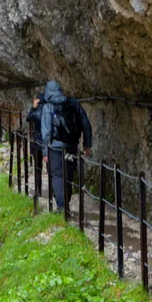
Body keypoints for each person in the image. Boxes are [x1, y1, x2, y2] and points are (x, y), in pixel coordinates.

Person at [41, 81, 92, 211]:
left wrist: (45, 151)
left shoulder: (48, 107)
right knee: (69, 175)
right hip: (72, 146)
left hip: (56, 147)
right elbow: (86, 125)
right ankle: (66, 202)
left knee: (57, 175)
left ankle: (62, 207)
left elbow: (46, 132)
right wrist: (87, 145)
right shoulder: (74, 103)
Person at [26, 93, 45, 196]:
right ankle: (52, 193)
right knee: (50, 169)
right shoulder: (48, 111)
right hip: (46, 143)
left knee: (38, 168)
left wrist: (33, 108)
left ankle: (39, 191)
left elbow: (28, 118)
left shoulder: (36, 112)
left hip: (37, 142)